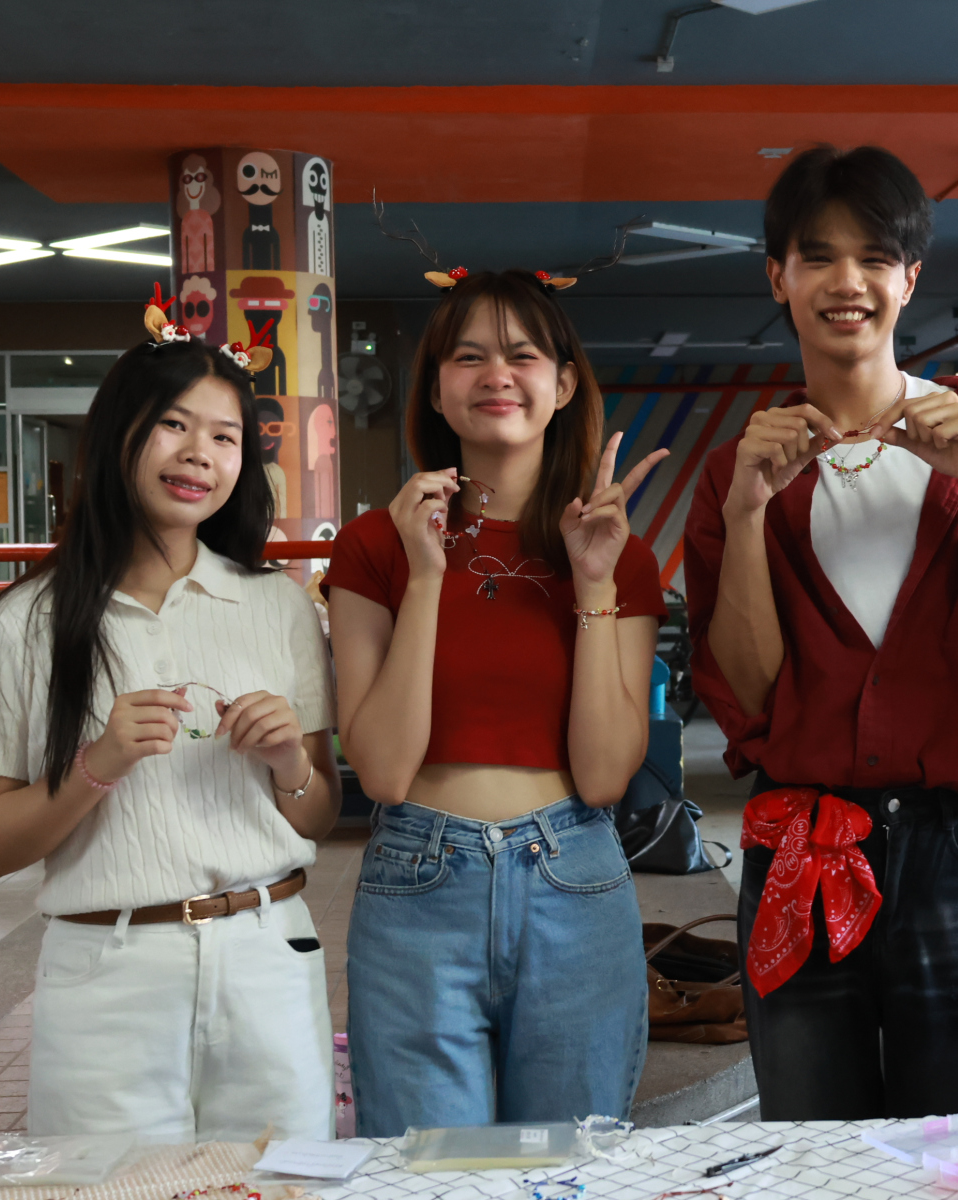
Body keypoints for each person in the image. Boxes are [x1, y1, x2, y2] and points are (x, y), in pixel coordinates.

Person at [683, 145, 958, 1120]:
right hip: (800, 841)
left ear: (909, 279)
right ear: (776, 277)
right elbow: (745, 691)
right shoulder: (737, 469)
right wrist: (746, 515)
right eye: (817, 257)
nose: (846, 282)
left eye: (874, 258)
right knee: (810, 1147)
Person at [0, 321, 342, 1141]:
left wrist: (289, 764)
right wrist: (97, 764)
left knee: (279, 1183)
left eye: (225, 437)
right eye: (173, 423)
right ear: (117, 433)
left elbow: (316, 814)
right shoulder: (25, 620)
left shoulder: (277, 605)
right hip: (107, 972)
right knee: (108, 1189)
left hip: (268, 956)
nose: (199, 453)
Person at [326, 268, 667, 1134]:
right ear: (437, 389)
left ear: (563, 384)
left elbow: (603, 777)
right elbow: (383, 770)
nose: (496, 375)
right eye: (468, 356)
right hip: (417, 881)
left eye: (522, 355)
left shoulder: (617, 553)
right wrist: (426, 575)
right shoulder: (374, 546)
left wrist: (594, 583)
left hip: (573, 877)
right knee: (428, 1178)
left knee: (569, 1173)